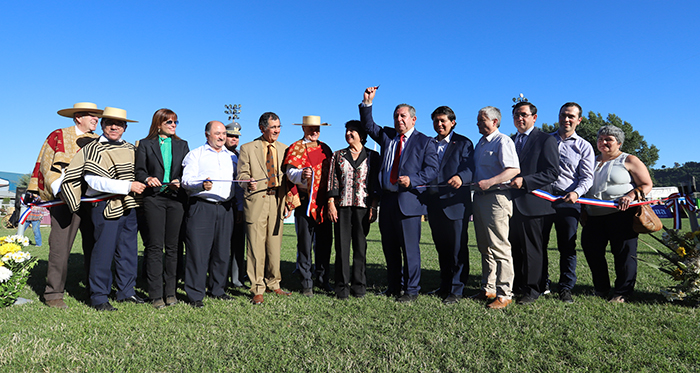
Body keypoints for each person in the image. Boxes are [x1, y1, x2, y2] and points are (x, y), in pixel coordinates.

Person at [359, 86, 439, 302]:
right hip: (388, 200)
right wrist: (368, 102)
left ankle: (412, 290)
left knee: (410, 249)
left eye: (403, 116)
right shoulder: (387, 136)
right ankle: (394, 287)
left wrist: (413, 180)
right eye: (396, 116)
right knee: (390, 247)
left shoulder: (425, 141)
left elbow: (432, 170)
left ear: (413, 119)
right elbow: (368, 125)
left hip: (409, 202)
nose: (399, 119)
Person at [62, 107, 145, 311]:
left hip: (129, 205)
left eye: (118, 124)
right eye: (109, 123)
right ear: (102, 125)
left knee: (128, 251)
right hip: (104, 205)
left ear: (125, 128)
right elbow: (93, 181)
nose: (114, 127)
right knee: (103, 252)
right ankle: (99, 297)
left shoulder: (131, 150)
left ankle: (126, 292)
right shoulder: (92, 149)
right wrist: (127, 186)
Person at [27, 102, 100, 309]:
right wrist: (63, 191)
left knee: (95, 246)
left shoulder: (99, 140)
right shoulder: (58, 136)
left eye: (97, 117)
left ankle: (94, 291)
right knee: (60, 248)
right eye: (92, 116)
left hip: (94, 201)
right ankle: (54, 294)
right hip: (64, 200)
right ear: (78, 117)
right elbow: (46, 165)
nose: (96, 120)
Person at [581, 125, 653, 303]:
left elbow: (646, 184)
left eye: (608, 139)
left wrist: (630, 195)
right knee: (592, 252)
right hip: (594, 216)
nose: (603, 142)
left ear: (619, 143)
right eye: (600, 139)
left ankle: (622, 292)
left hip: (622, 215)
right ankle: (601, 288)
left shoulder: (629, 160)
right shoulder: (590, 160)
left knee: (624, 254)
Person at [135, 108, 190, 309]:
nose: (173, 126)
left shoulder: (182, 145)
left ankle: (171, 292)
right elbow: (139, 170)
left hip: (176, 199)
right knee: (155, 247)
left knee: (174, 247)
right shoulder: (145, 145)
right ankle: (156, 294)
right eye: (169, 122)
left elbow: (187, 171)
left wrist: (180, 180)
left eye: (175, 122)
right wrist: (148, 178)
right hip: (154, 199)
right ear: (159, 124)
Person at [541, 102, 594, 303]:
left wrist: (576, 193)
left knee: (567, 246)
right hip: (544, 199)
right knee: (540, 243)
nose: (566, 119)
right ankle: (541, 282)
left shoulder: (584, 146)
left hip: (568, 200)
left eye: (571, 116)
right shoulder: (546, 141)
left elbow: (587, 177)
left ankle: (565, 287)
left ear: (579, 120)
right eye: (563, 115)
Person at [509, 101, 560, 306]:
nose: (519, 119)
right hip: (512, 203)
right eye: (516, 116)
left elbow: (552, 172)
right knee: (515, 247)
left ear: (534, 117)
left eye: (523, 115)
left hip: (535, 203)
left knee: (533, 249)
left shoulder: (545, 140)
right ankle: (518, 285)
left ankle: (533, 289)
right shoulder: (510, 141)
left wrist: (526, 181)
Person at [237, 112, 291, 305]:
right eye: (273, 127)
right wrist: (247, 182)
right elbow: (242, 174)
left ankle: (274, 284)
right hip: (256, 202)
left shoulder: (285, 149)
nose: (276, 131)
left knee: (274, 247)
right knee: (255, 248)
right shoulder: (247, 148)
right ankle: (257, 288)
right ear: (262, 128)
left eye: (278, 127)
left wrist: (289, 202)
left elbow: (290, 179)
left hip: (277, 201)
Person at [181, 121, 236, 308]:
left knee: (222, 251)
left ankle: (218, 290)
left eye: (223, 134)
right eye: (217, 133)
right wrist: (201, 184)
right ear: (207, 135)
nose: (221, 137)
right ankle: (195, 294)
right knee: (198, 252)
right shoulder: (196, 155)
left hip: (226, 208)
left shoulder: (233, 157)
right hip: (202, 206)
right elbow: (186, 181)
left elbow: (239, 181)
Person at [471, 106, 520, 309]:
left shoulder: (503, 141)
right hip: (480, 198)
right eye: (478, 120)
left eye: (482, 120)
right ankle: (488, 288)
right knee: (484, 246)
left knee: (499, 246)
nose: (478, 124)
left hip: (497, 198)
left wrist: (490, 182)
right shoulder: (480, 143)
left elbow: (514, 170)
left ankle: (505, 293)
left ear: (495, 122)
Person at [425, 106, 474, 305]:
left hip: (455, 204)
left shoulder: (464, 143)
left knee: (457, 249)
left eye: (443, 120)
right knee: (442, 248)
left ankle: (457, 289)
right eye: (436, 121)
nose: (439, 124)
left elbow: (471, 167)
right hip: (434, 204)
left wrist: (461, 177)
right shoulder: (428, 143)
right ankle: (444, 285)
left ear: (453, 122)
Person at [327, 120, 380, 299]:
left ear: (362, 135)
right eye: (347, 131)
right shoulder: (338, 155)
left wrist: (373, 205)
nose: (349, 134)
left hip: (363, 207)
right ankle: (341, 288)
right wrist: (331, 204)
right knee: (341, 248)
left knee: (360, 247)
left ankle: (359, 287)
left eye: (353, 131)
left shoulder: (373, 156)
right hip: (342, 207)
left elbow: (374, 183)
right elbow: (332, 181)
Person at [283, 115, 334, 297]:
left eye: (317, 128)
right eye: (311, 128)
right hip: (305, 203)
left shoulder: (325, 148)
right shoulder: (295, 147)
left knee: (324, 243)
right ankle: (306, 282)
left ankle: (323, 279)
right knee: (305, 244)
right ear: (303, 128)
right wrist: (301, 175)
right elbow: (289, 172)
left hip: (323, 203)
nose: (315, 131)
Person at [224, 121, 247, 289]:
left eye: (237, 137)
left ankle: (237, 279)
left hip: (237, 205)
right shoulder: (217, 154)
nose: (234, 139)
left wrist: (240, 208)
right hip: (222, 204)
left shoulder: (240, 156)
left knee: (239, 244)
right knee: (222, 244)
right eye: (231, 136)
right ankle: (221, 278)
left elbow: (240, 186)